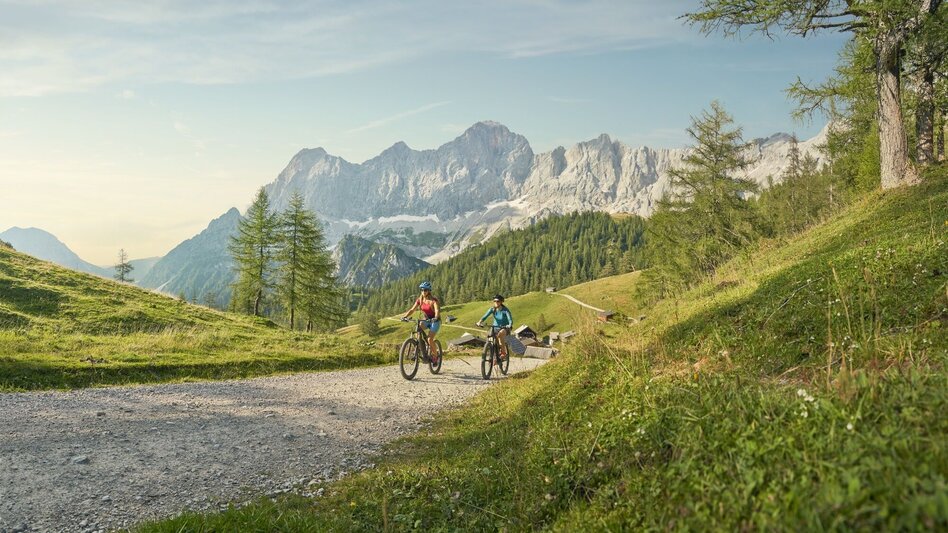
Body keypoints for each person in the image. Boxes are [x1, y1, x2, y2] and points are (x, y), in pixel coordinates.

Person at [402, 281, 441, 363]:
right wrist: (405, 317)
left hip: (435, 321)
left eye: (425, 290)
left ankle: (435, 356)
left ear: (429, 291)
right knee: (418, 330)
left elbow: (437, 310)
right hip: (426, 320)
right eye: (422, 290)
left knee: (430, 339)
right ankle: (419, 349)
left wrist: (436, 317)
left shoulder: (434, 300)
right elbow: (412, 309)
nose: (423, 291)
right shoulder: (420, 300)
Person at [476, 294, 513, 360]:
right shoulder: (492, 309)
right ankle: (493, 352)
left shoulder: (505, 310)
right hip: (495, 327)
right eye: (494, 301)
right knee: (489, 337)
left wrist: (509, 325)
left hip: (505, 327)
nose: (496, 302)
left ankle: (503, 353)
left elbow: (510, 319)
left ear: (501, 302)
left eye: (498, 301)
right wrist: (479, 322)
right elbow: (485, 316)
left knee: (500, 335)